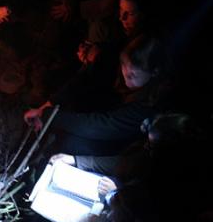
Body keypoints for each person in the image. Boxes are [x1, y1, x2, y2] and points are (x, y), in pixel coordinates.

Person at [24, 35, 171, 174]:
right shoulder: (126, 76)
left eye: (132, 75)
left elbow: (103, 126)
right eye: (123, 66)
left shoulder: (150, 106)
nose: (125, 76)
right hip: (110, 133)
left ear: (154, 72)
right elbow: (81, 81)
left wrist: (50, 116)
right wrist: (47, 107)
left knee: (72, 142)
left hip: (124, 150)